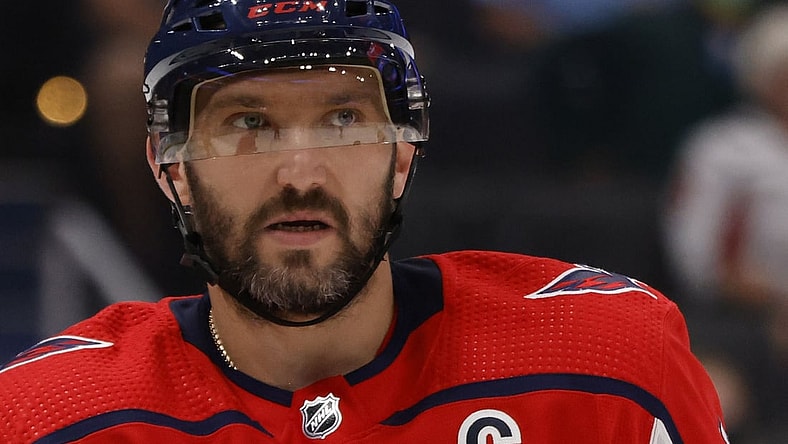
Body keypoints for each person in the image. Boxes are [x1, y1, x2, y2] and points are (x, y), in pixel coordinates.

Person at [0, 1, 728, 442]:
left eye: (344, 121)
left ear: (404, 154)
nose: (301, 175)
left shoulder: (605, 363)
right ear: (171, 169)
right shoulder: (53, 417)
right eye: (248, 124)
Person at [663, 3, 788, 439]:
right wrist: (771, 300)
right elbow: (695, 254)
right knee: (717, 400)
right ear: (765, 75)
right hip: (734, 322)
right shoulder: (723, 147)